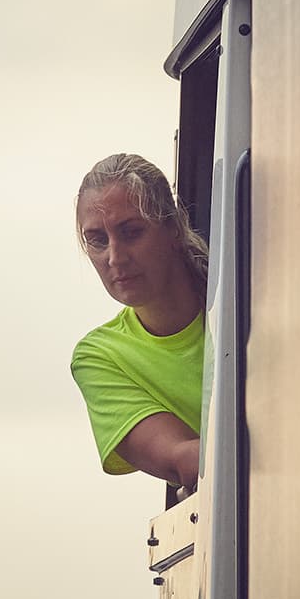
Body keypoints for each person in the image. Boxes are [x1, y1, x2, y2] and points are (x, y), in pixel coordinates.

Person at [69, 153, 209, 492]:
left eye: (131, 233)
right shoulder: (100, 357)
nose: (115, 258)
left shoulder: (252, 298)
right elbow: (185, 459)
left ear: (173, 228)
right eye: (98, 240)